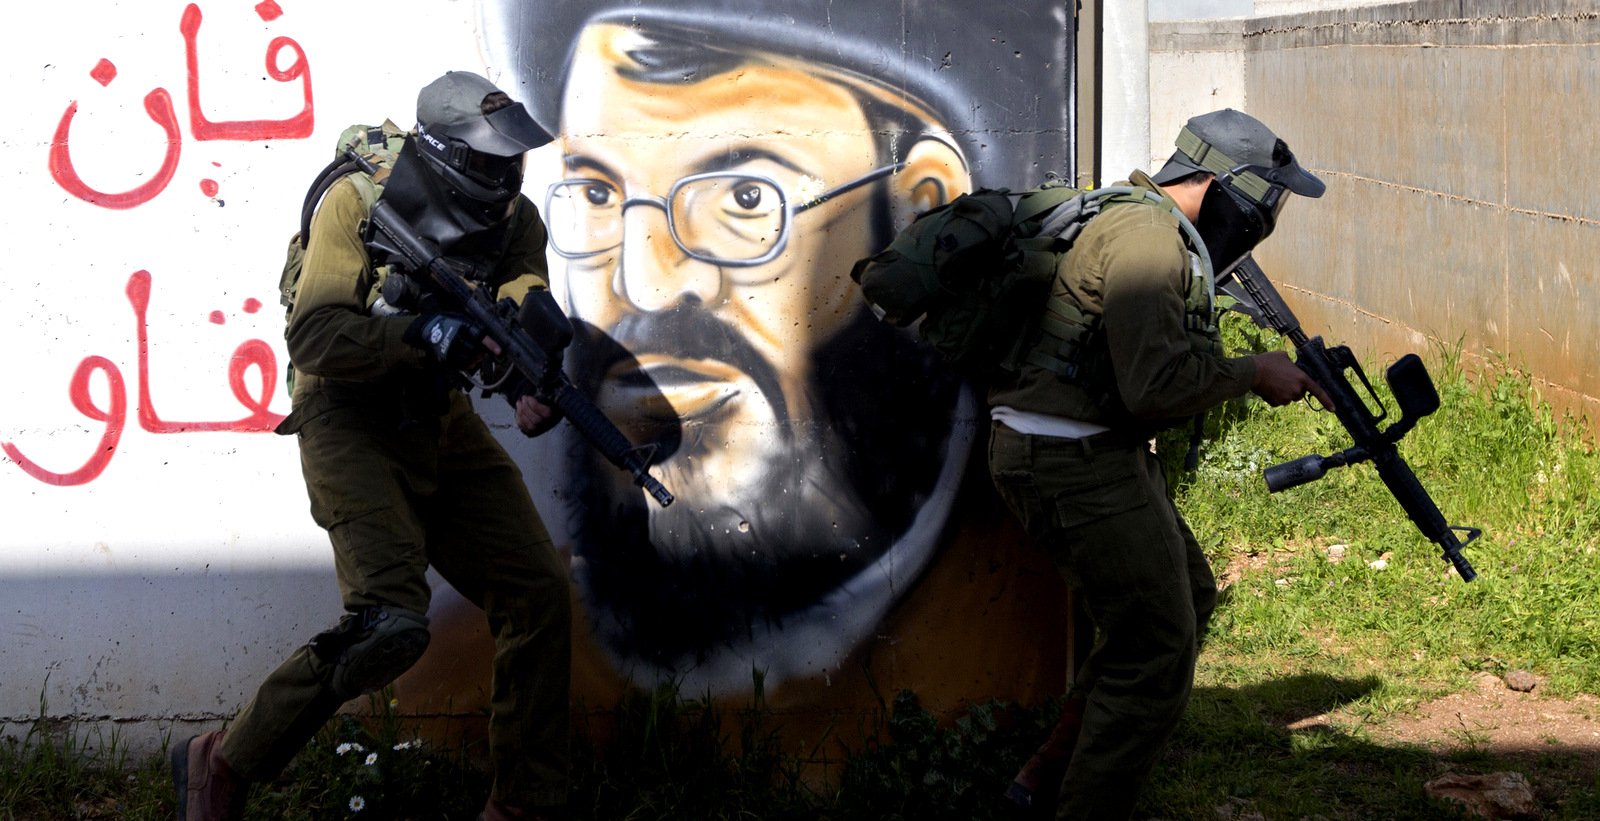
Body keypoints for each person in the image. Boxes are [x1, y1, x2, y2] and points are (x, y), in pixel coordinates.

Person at [469, 1, 1074, 693]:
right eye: (599, 193)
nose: (646, 282)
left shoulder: (1025, 635)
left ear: (918, 207)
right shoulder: (465, 673)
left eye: (746, 197)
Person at [169, 71, 573, 821]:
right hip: (346, 412)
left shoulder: (514, 221)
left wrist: (533, 374)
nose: (507, 177)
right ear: (447, 154)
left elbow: (517, 299)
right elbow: (316, 335)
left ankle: (525, 802)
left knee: (538, 592)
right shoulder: (355, 200)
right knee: (388, 624)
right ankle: (223, 761)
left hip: (434, 413)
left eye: (512, 162)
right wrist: (421, 332)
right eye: (491, 162)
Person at [989, 109, 1333, 820]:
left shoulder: (1149, 227)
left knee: (1188, 593)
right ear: (1213, 186)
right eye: (1263, 199)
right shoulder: (1148, 241)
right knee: (1157, 645)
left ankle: (1044, 775)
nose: (1266, 218)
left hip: (1088, 445)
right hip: (1067, 454)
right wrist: (1250, 374)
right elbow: (1154, 388)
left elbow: (1152, 370)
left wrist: (1266, 369)